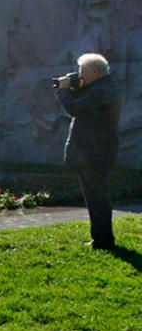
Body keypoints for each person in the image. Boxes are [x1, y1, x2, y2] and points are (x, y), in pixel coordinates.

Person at [55, 53, 121, 250]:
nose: (80, 75)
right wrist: (75, 86)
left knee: (97, 199)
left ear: (94, 71)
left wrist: (63, 90)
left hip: (93, 154)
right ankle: (101, 239)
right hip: (97, 152)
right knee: (96, 198)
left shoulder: (101, 90)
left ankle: (103, 241)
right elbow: (84, 106)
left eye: (83, 71)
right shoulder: (103, 88)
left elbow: (75, 108)